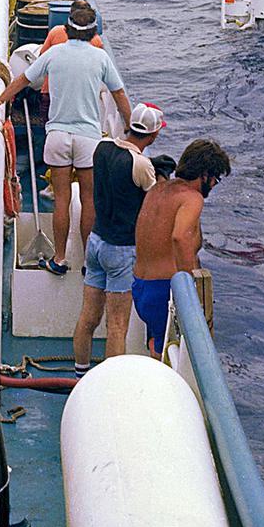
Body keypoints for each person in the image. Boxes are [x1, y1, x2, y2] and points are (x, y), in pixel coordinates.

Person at [0, 3, 132, 274]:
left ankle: (60, 258)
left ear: (66, 28)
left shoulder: (54, 53)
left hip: (57, 136)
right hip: (88, 139)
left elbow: (22, 80)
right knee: (89, 199)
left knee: (62, 199)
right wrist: (129, 124)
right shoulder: (100, 58)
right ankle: (90, 263)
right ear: (93, 32)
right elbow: (119, 95)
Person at [71, 102, 166, 377]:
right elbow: (154, 202)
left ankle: (80, 374)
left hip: (96, 242)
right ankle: (109, 383)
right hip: (122, 250)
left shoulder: (101, 149)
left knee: (88, 316)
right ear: (154, 134)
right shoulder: (141, 164)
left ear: (129, 125)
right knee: (117, 324)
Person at [132, 138, 232, 355]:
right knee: (168, 356)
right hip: (162, 291)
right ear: (204, 175)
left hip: (140, 287)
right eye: (215, 178)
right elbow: (180, 237)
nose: (214, 185)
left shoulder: (158, 190)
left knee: (157, 345)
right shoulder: (192, 198)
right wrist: (189, 288)